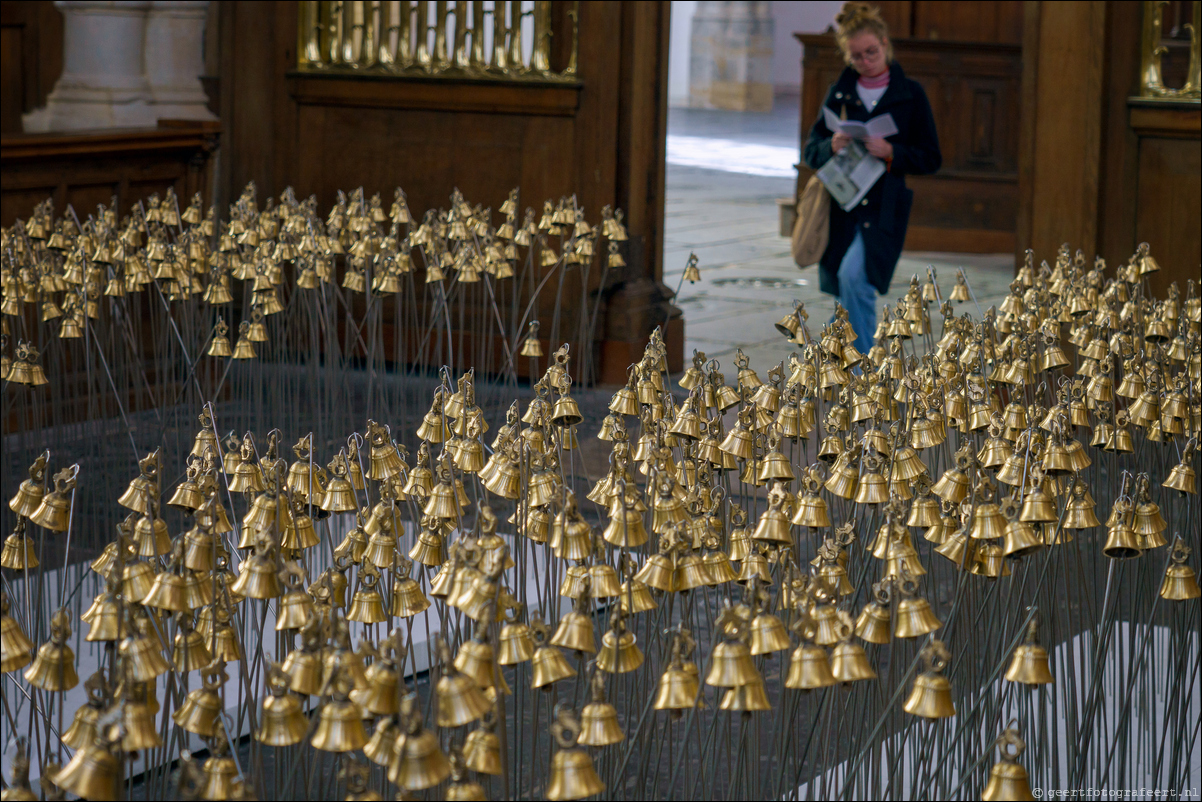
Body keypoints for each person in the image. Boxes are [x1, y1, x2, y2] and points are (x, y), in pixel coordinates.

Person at [803, 2, 941, 355]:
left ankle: (860, 374)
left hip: (883, 207)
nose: (866, 61)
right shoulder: (839, 92)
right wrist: (830, 145)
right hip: (842, 204)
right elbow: (810, 150)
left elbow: (931, 158)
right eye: (857, 57)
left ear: (884, 44)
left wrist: (892, 152)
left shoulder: (910, 94)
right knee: (842, 290)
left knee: (855, 280)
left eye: (871, 52)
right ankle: (848, 368)